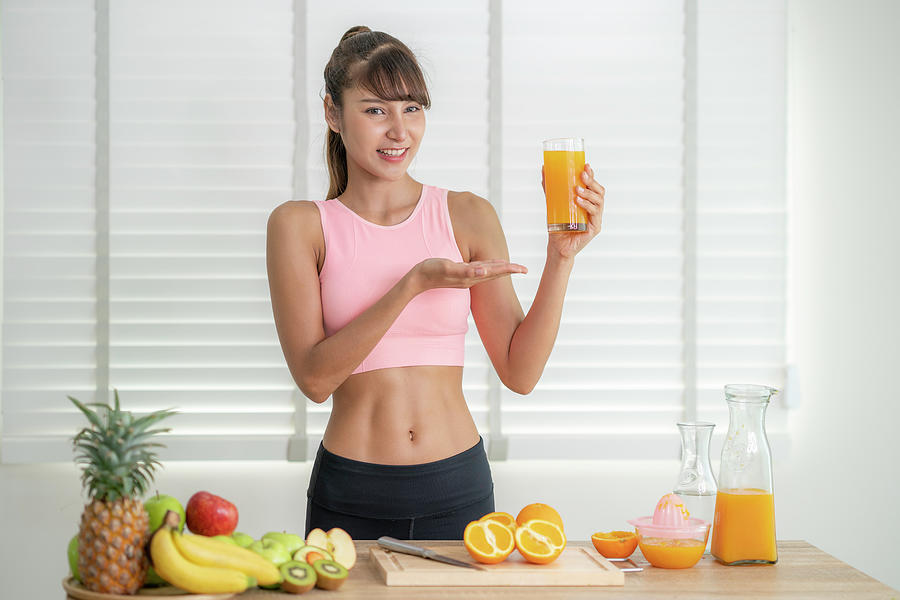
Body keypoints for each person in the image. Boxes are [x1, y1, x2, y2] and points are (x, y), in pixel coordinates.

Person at [266, 25, 605, 541]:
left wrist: (561, 258)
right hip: (351, 490)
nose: (399, 131)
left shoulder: (467, 215)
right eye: (376, 110)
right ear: (333, 114)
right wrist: (411, 285)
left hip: (457, 486)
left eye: (412, 109)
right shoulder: (300, 226)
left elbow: (520, 372)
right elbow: (314, 381)